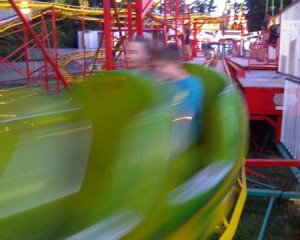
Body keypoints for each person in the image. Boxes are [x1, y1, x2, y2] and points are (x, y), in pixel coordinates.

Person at [154, 44, 204, 158]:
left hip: (186, 135)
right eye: (158, 67)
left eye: (162, 66)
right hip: (168, 130)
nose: (159, 71)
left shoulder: (192, 85)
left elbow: (186, 117)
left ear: (175, 63)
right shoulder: (167, 83)